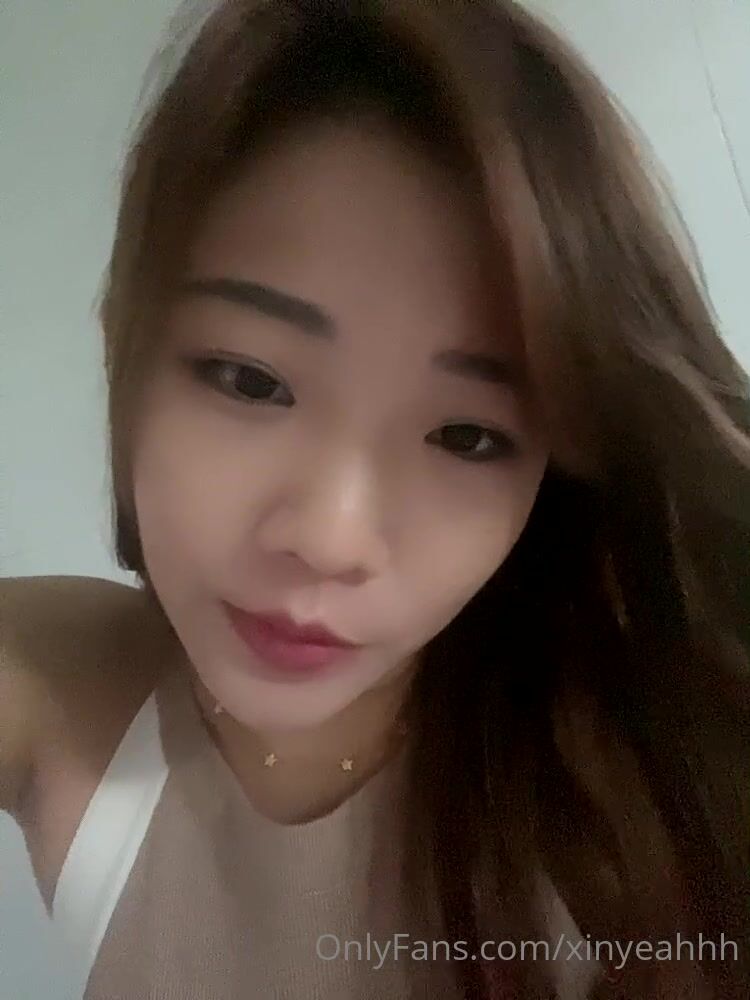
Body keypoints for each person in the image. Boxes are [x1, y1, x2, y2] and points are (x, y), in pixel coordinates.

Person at [2, 1, 749, 997]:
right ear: (122, 350)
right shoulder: (59, 686)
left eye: (468, 436)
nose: (330, 537)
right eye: (250, 380)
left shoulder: (640, 803)